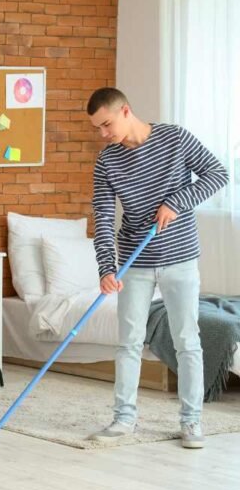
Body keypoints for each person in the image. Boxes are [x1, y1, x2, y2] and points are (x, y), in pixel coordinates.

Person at [86, 87, 228, 449]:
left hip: (180, 257)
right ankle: (123, 419)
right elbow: (103, 218)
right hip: (135, 261)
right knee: (129, 342)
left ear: (125, 111)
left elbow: (217, 173)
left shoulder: (174, 138)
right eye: (97, 128)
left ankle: (191, 421)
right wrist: (107, 268)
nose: (103, 134)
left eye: (106, 125)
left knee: (187, 341)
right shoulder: (107, 162)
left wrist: (176, 203)